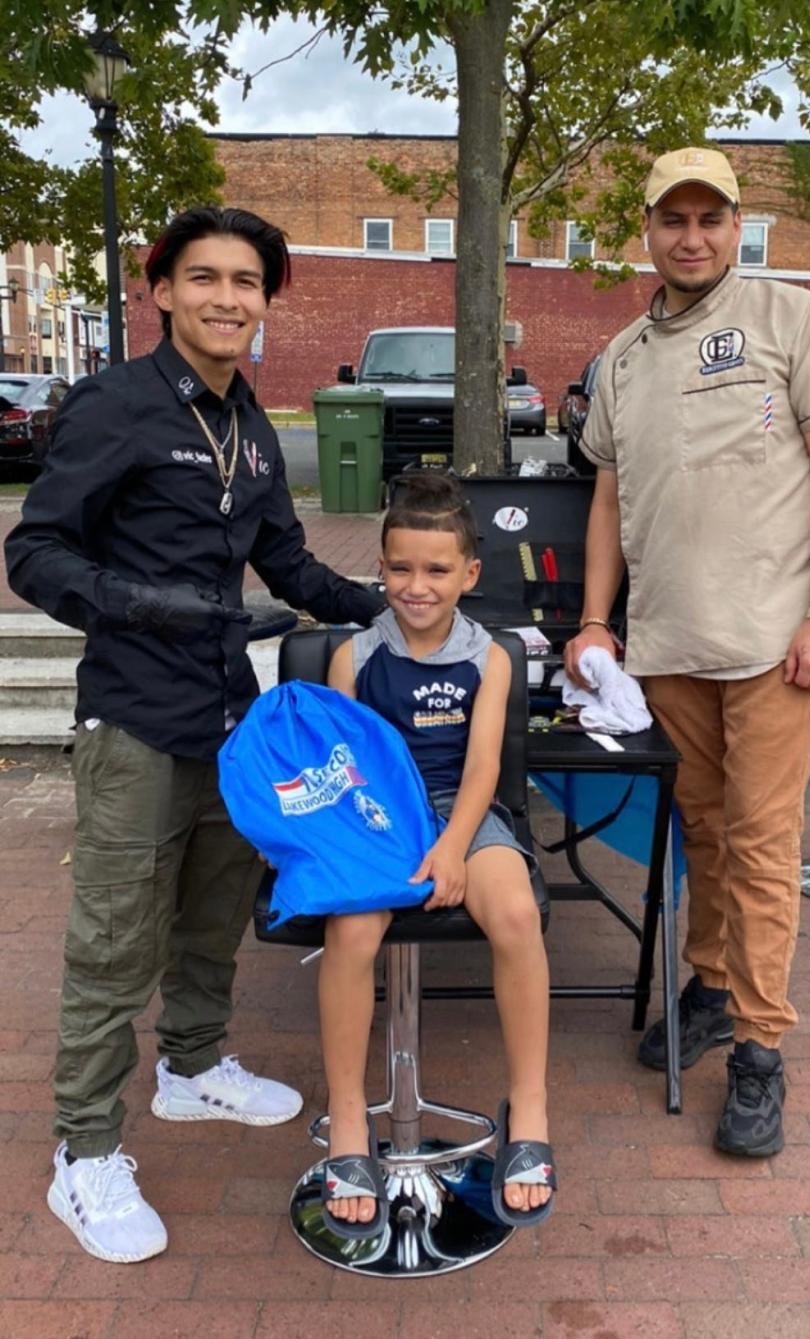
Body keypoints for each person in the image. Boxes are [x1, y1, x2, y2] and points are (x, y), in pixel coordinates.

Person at [5, 206, 383, 1263]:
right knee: (115, 941)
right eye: (204, 277)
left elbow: (294, 568)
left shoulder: (254, 423)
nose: (227, 298)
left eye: (248, 282)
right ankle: (83, 1152)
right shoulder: (113, 404)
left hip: (230, 720)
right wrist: (149, 604)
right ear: (160, 289)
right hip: (132, 713)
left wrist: (396, 605)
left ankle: (192, 1065)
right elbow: (35, 553)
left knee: (216, 910)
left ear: (268, 300)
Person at [564, 147, 810, 1157]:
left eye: (710, 218)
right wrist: (598, 620)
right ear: (646, 231)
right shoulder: (622, 358)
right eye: (672, 219)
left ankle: (759, 1050)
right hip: (667, 650)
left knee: (762, 843)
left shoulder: (794, 321)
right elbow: (610, 496)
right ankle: (710, 983)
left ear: (737, 225)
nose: (691, 237)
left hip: (775, 648)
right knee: (700, 829)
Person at [320, 473, 557, 1235]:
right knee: (352, 931)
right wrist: (391, 847)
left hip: (465, 811)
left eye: (436, 570)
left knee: (517, 912)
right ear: (380, 566)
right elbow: (345, 769)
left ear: (470, 575)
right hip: (378, 817)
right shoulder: (354, 657)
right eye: (399, 568)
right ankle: (351, 1120)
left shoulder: (490, 658)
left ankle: (529, 1109)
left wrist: (453, 848)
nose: (416, 586)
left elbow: (485, 769)